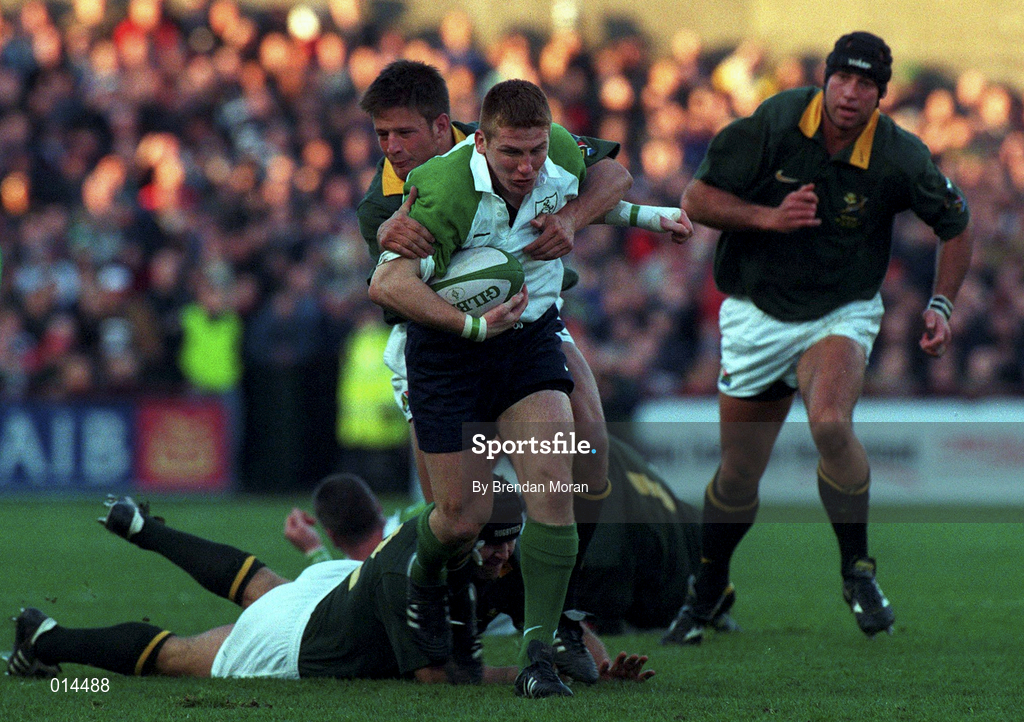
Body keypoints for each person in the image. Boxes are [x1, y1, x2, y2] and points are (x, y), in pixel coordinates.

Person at [357, 61, 692, 686]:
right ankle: (437, 591)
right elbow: (388, 284)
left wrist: (614, 218)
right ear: (480, 144)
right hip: (441, 348)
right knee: (459, 518)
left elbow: (606, 178)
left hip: (530, 333)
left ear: (448, 127)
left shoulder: (537, 143)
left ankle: (546, 637)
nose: (392, 147)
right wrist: (470, 325)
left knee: (568, 464)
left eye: (403, 132)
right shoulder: (424, 193)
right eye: (383, 136)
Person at [661, 31, 972, 646]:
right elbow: (695, 198)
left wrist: (942, 303)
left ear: (881, 96)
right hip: (754, 313)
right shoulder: (776, 121)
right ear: (826, 78)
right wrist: (768, 218)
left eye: (865, 85)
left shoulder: (898, 154)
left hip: (841, 313)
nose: (850, 94)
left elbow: (957, 227)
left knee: (830, 421)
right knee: (737, 477)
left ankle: (857, 569)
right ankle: (710, 588)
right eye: (842, 79)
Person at [6, 495, 652, 686]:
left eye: (509, 541)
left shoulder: (493, 553)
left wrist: (595, 664)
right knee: (184, 654)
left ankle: (145, 528)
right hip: (306, 643)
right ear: (461, 539)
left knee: (261, 582)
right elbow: (434, 677)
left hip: (333, 590)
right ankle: (47, 638)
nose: (503, 554)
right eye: (493, 542)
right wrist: (529, 671)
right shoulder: (415, 573)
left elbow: (562, 617)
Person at [283, 472, 425, 563]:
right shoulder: (422, 518)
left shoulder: (348, 586)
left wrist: (313, 549)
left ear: (333, 537)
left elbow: (329, 593)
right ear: (377, 505)